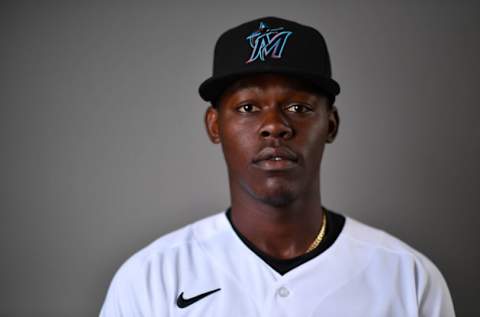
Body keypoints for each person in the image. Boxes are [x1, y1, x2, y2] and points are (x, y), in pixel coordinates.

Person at [99, 16, 455, 316]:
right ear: (214, 125)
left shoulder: (408, 278)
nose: (275, 125)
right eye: (248, 108)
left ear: (330, 125)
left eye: (299, 108)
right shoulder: (150, 278)